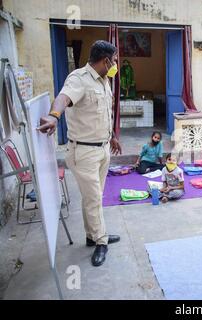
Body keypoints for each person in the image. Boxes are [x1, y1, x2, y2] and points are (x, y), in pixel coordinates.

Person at [37, 40, 122, 267]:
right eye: (113, 61)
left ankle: (91, 235)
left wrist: (112, 136)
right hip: (83, 152)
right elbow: (64, 98)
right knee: (94, 198)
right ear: (105, 61)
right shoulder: (78, 79)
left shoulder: (105, 81)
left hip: (102, 149)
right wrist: (54, 115)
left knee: (93, 197)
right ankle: (100, 242)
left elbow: (105, 113)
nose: (115, 64)